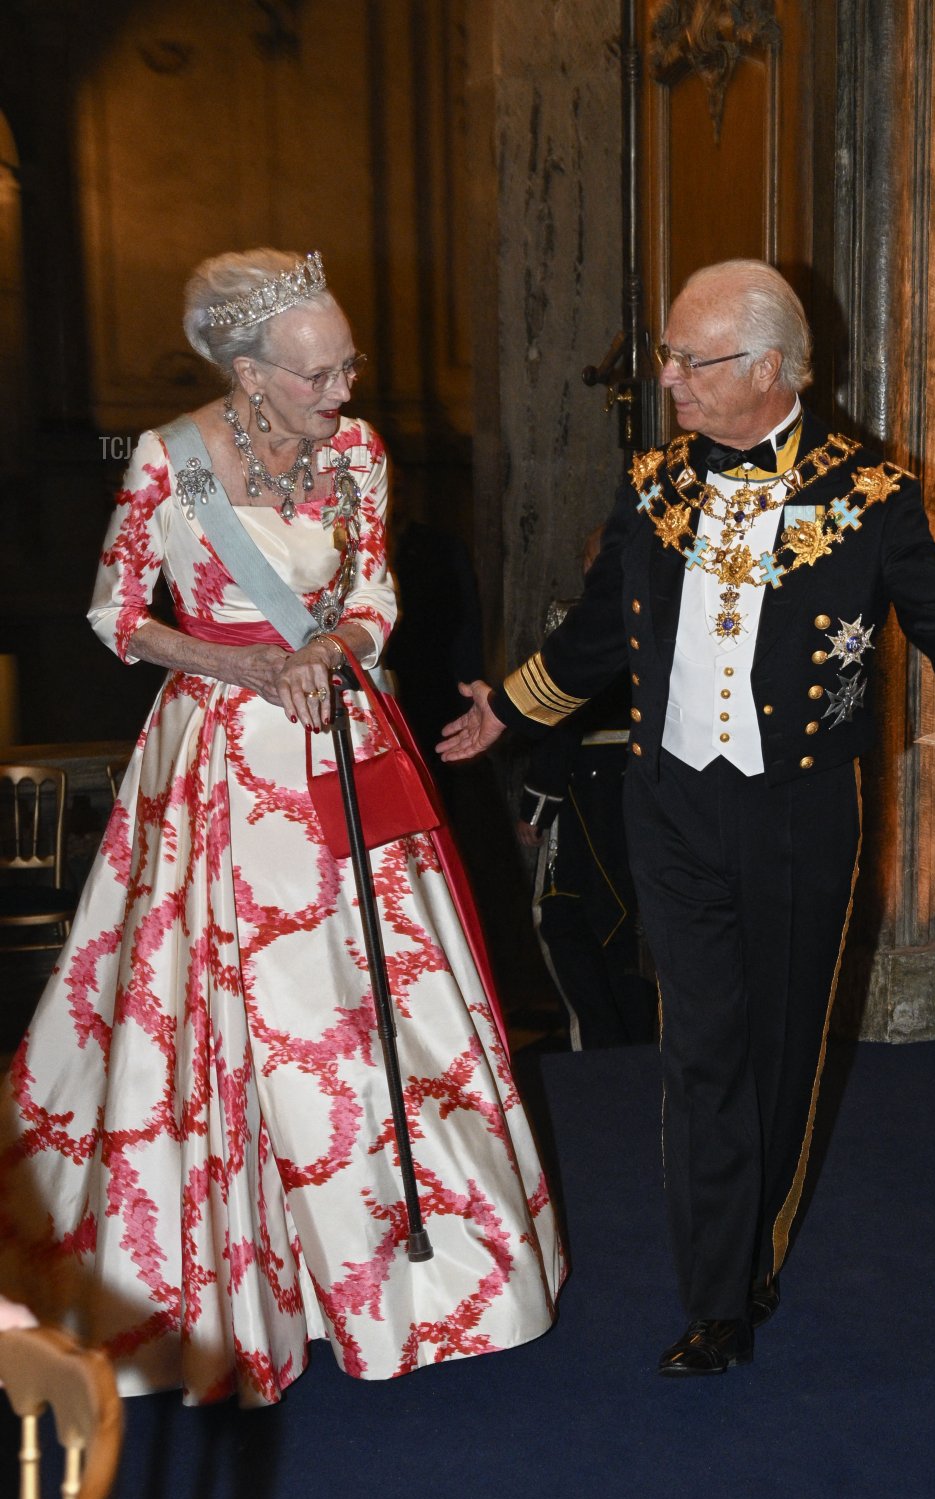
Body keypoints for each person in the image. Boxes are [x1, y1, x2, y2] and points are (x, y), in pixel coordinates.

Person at [439, 258, 935, 1377]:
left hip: (797, 815)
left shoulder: (870, 496)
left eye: (694, 360)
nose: (671, 379)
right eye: (670, 357)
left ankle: (757, 1245)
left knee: (781, 1049)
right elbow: (598, 635)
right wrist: (510, 704)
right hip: (671, 808)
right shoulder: (654, 483)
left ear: (771, 367)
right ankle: (715, 1294)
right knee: (701, 1048)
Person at [0, 248, 562, 1406]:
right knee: (228, 1008)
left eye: (347, 365)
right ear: (248, 373)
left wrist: (329, 648)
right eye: (317, 376)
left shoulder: (356, 453)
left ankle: (414, 1278)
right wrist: (236, 661)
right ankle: (234, 1287)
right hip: (219, 758)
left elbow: (376, 597)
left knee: (375, 1001)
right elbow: (116, 613)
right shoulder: (173, 462)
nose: (343, 393)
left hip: (343, 749)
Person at [517, 529, 655, 1049]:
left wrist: (537, 800)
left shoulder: (574, 616)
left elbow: (561, 710)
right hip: (651, 782)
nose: (586, 566)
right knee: (627, 917)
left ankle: (602, 1044)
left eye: (592, 556)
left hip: (587, 788)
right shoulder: (664, 607)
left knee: (566, 915)